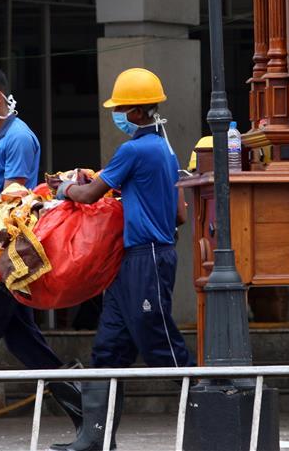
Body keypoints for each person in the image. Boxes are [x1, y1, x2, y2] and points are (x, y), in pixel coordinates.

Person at [47, 67, 194, 451]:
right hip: (139, 258)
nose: (118, 116)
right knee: (109, 348)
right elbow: (179, 213)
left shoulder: (133, 149)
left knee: (160, 342)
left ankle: (209, 422)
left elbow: (88, 196)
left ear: (137, 112)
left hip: (144, 257)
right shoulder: (166, 148)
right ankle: (94, 440)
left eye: (122, 109)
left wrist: (60, 186)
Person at [0, 66, 82, 451]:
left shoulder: (20, 138)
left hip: (11, 255)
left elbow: (16, 205)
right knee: (25, 343)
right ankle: (85, 409)